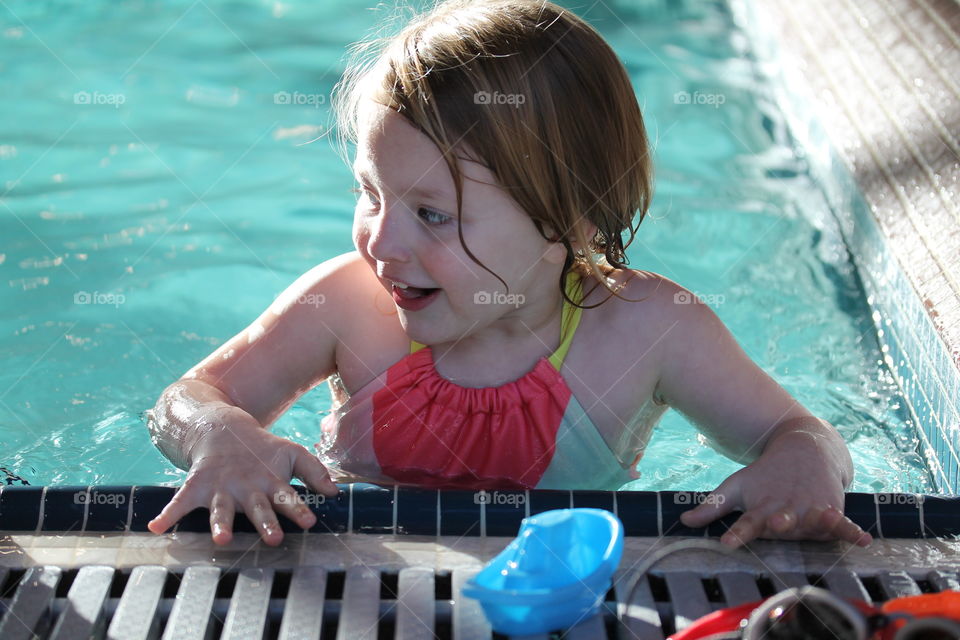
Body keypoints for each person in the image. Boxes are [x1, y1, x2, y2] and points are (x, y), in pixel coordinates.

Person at [146, 0, 872, 550]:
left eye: (433, 214)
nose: (383, 241)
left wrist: (802, 466)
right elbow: (187, 397)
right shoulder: (347, 305)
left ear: (570, 222)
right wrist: (223, 435)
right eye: (371, 193)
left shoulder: (650, 331)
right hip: (370, 575)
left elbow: (801, 435)